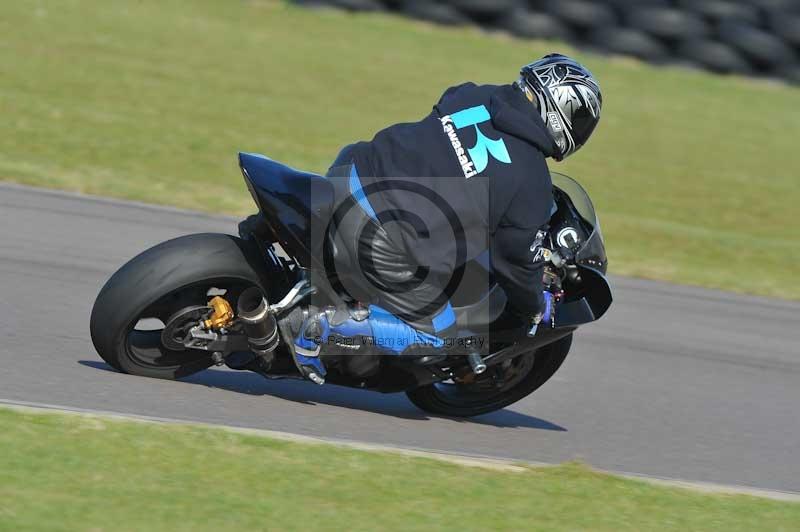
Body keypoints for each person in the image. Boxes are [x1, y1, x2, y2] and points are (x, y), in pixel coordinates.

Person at [294, 53, 602, 384]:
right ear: (561, 112)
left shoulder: (475, 94)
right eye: (581, 119)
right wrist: (535, 307)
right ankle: (323, 328)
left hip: (349, 170)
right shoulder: (531, 181)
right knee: (442, 336)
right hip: (377, 231)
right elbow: (514, 260)